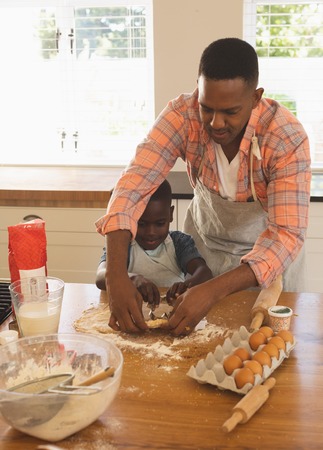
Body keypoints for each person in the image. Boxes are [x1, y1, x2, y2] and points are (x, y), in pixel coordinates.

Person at [95, 37, 311, 336]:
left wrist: (213, 291)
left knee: (268, 347)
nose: (216, 123)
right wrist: (116, 276)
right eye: (207, 108)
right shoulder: (181, 116)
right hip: (206, 248)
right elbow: (133, 186)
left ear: (256, 97)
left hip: (270, 262)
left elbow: (286, 234)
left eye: (230, 112)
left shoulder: (286, 137)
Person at [96, 180, 212, 306]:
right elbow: (101, 276)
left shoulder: (179, 242)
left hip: (173, 316)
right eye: (141, 224)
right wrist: (132, 279)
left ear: (171, 214)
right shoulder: (123, 244)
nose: (151, 232)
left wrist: (187, 285)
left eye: (160, 223)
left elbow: (204, 272)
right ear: (129, 219)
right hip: (133, 314)